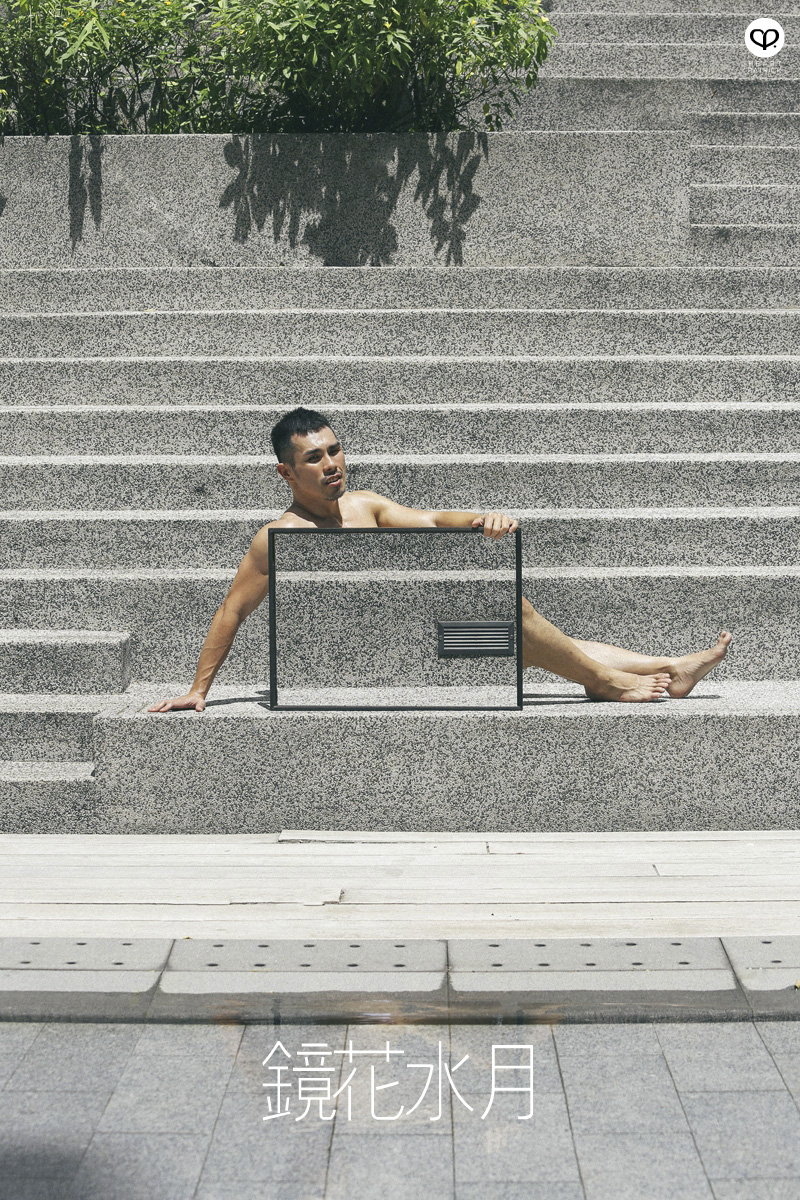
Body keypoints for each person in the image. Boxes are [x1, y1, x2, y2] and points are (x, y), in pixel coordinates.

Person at [148, 406, 731, 713]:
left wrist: (480, 519)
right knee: (509, 625)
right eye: (314, 458)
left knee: (508, 626)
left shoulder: (365, 507)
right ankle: (610, 681)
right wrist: (199, 689)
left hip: (411, 643)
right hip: (346, 663)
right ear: (287, 472)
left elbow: (430, 521)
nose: (331, 464)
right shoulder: (276, 536)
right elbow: (232, 612)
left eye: (335, 450)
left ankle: (661, 670)